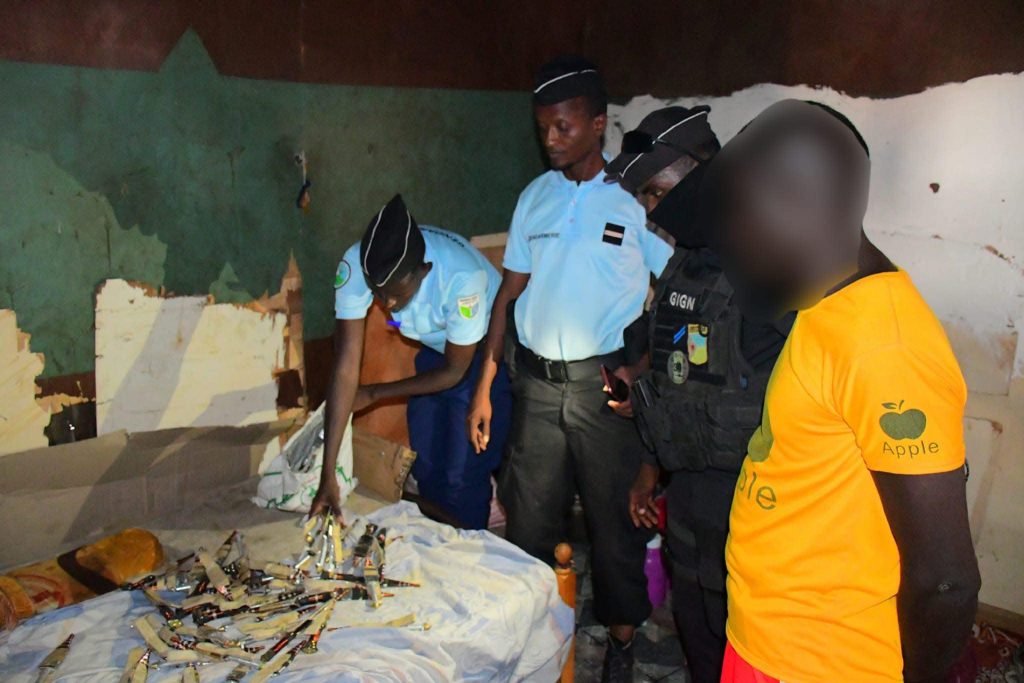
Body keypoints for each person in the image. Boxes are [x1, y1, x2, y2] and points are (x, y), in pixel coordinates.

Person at [704, 100, 981, 682]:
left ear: (801, 205)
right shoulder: (824, 301)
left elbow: (946, 580)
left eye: (738, 214)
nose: (728, 237)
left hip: (821, 663)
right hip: (769, 640)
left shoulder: (888, 347)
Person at [465, 56, 674, 682]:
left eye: (563, 127)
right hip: (535, 387)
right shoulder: (536, 198)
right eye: (543, 130)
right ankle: (534, 637)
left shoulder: (634, 203)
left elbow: (675, 291)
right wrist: (485, 385)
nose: (550, 140)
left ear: (599, 125)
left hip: (606, 389)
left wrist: (645, 372)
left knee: (615, 525)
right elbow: (508, 295)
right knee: (530, 518)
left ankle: (620, 643)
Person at [603, 106, 793, 683]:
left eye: (657, 193)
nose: (651, 211)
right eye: (644, 198)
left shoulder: (774, 267)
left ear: (707, 169)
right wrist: (647, 470)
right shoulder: (686, 264)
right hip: (689, 505)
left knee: (746, 653)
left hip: (755, 513)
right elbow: (674, 374)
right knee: (700, 643)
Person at [309, 194, 510, 530]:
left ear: (425, 271)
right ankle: (440, 548)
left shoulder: (462, 278)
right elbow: (345, 368)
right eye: (378, 291)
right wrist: (327, 477)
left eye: (397, 294)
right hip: (436, 351)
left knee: (461, 475)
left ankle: (468, 557)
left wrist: (373, 394)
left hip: (484, 353)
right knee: (427, 466)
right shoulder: (357, 267)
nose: (386, 302)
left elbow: (456, 371)